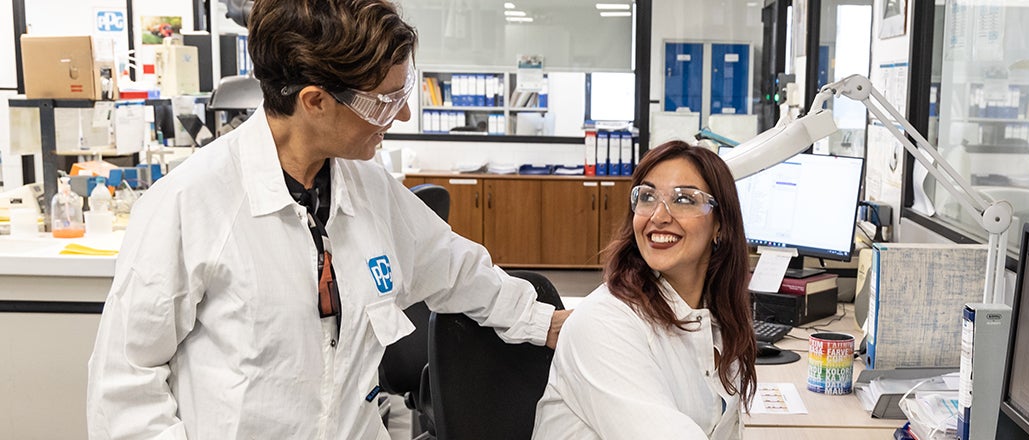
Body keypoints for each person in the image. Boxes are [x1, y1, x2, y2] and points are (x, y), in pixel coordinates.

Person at [86, 1, 569, 438]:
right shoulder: (189, 204)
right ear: (315, 101)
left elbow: (454, 267)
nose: (398, 117)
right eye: (384, 101)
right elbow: (125, 385)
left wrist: (546, 322)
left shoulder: (369, 187)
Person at [532, 141, 757, 439]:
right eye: (648, 196)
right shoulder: (602, 323)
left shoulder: (718, 322)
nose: (659, 216)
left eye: (684, 199)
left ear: (720, 226)